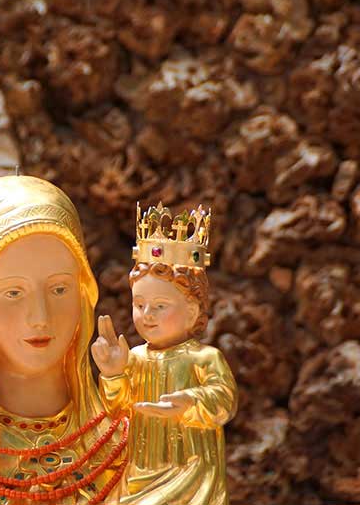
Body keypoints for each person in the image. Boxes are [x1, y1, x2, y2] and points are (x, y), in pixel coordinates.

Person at [0, 176, 129, 504]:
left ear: (83, 294)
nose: (40, 317)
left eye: (59, 289)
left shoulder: (120, 441)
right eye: (13, 293)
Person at [92, 204, 237, 505]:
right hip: (139, 470)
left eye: (160, 306)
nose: (147, 314)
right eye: (139, 304)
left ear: (192, 311)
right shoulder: (134, 358)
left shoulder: (204, 358)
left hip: (191, 471)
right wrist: (113, 374)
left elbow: (224, 402)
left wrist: (189, 402)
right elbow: (116, 411)